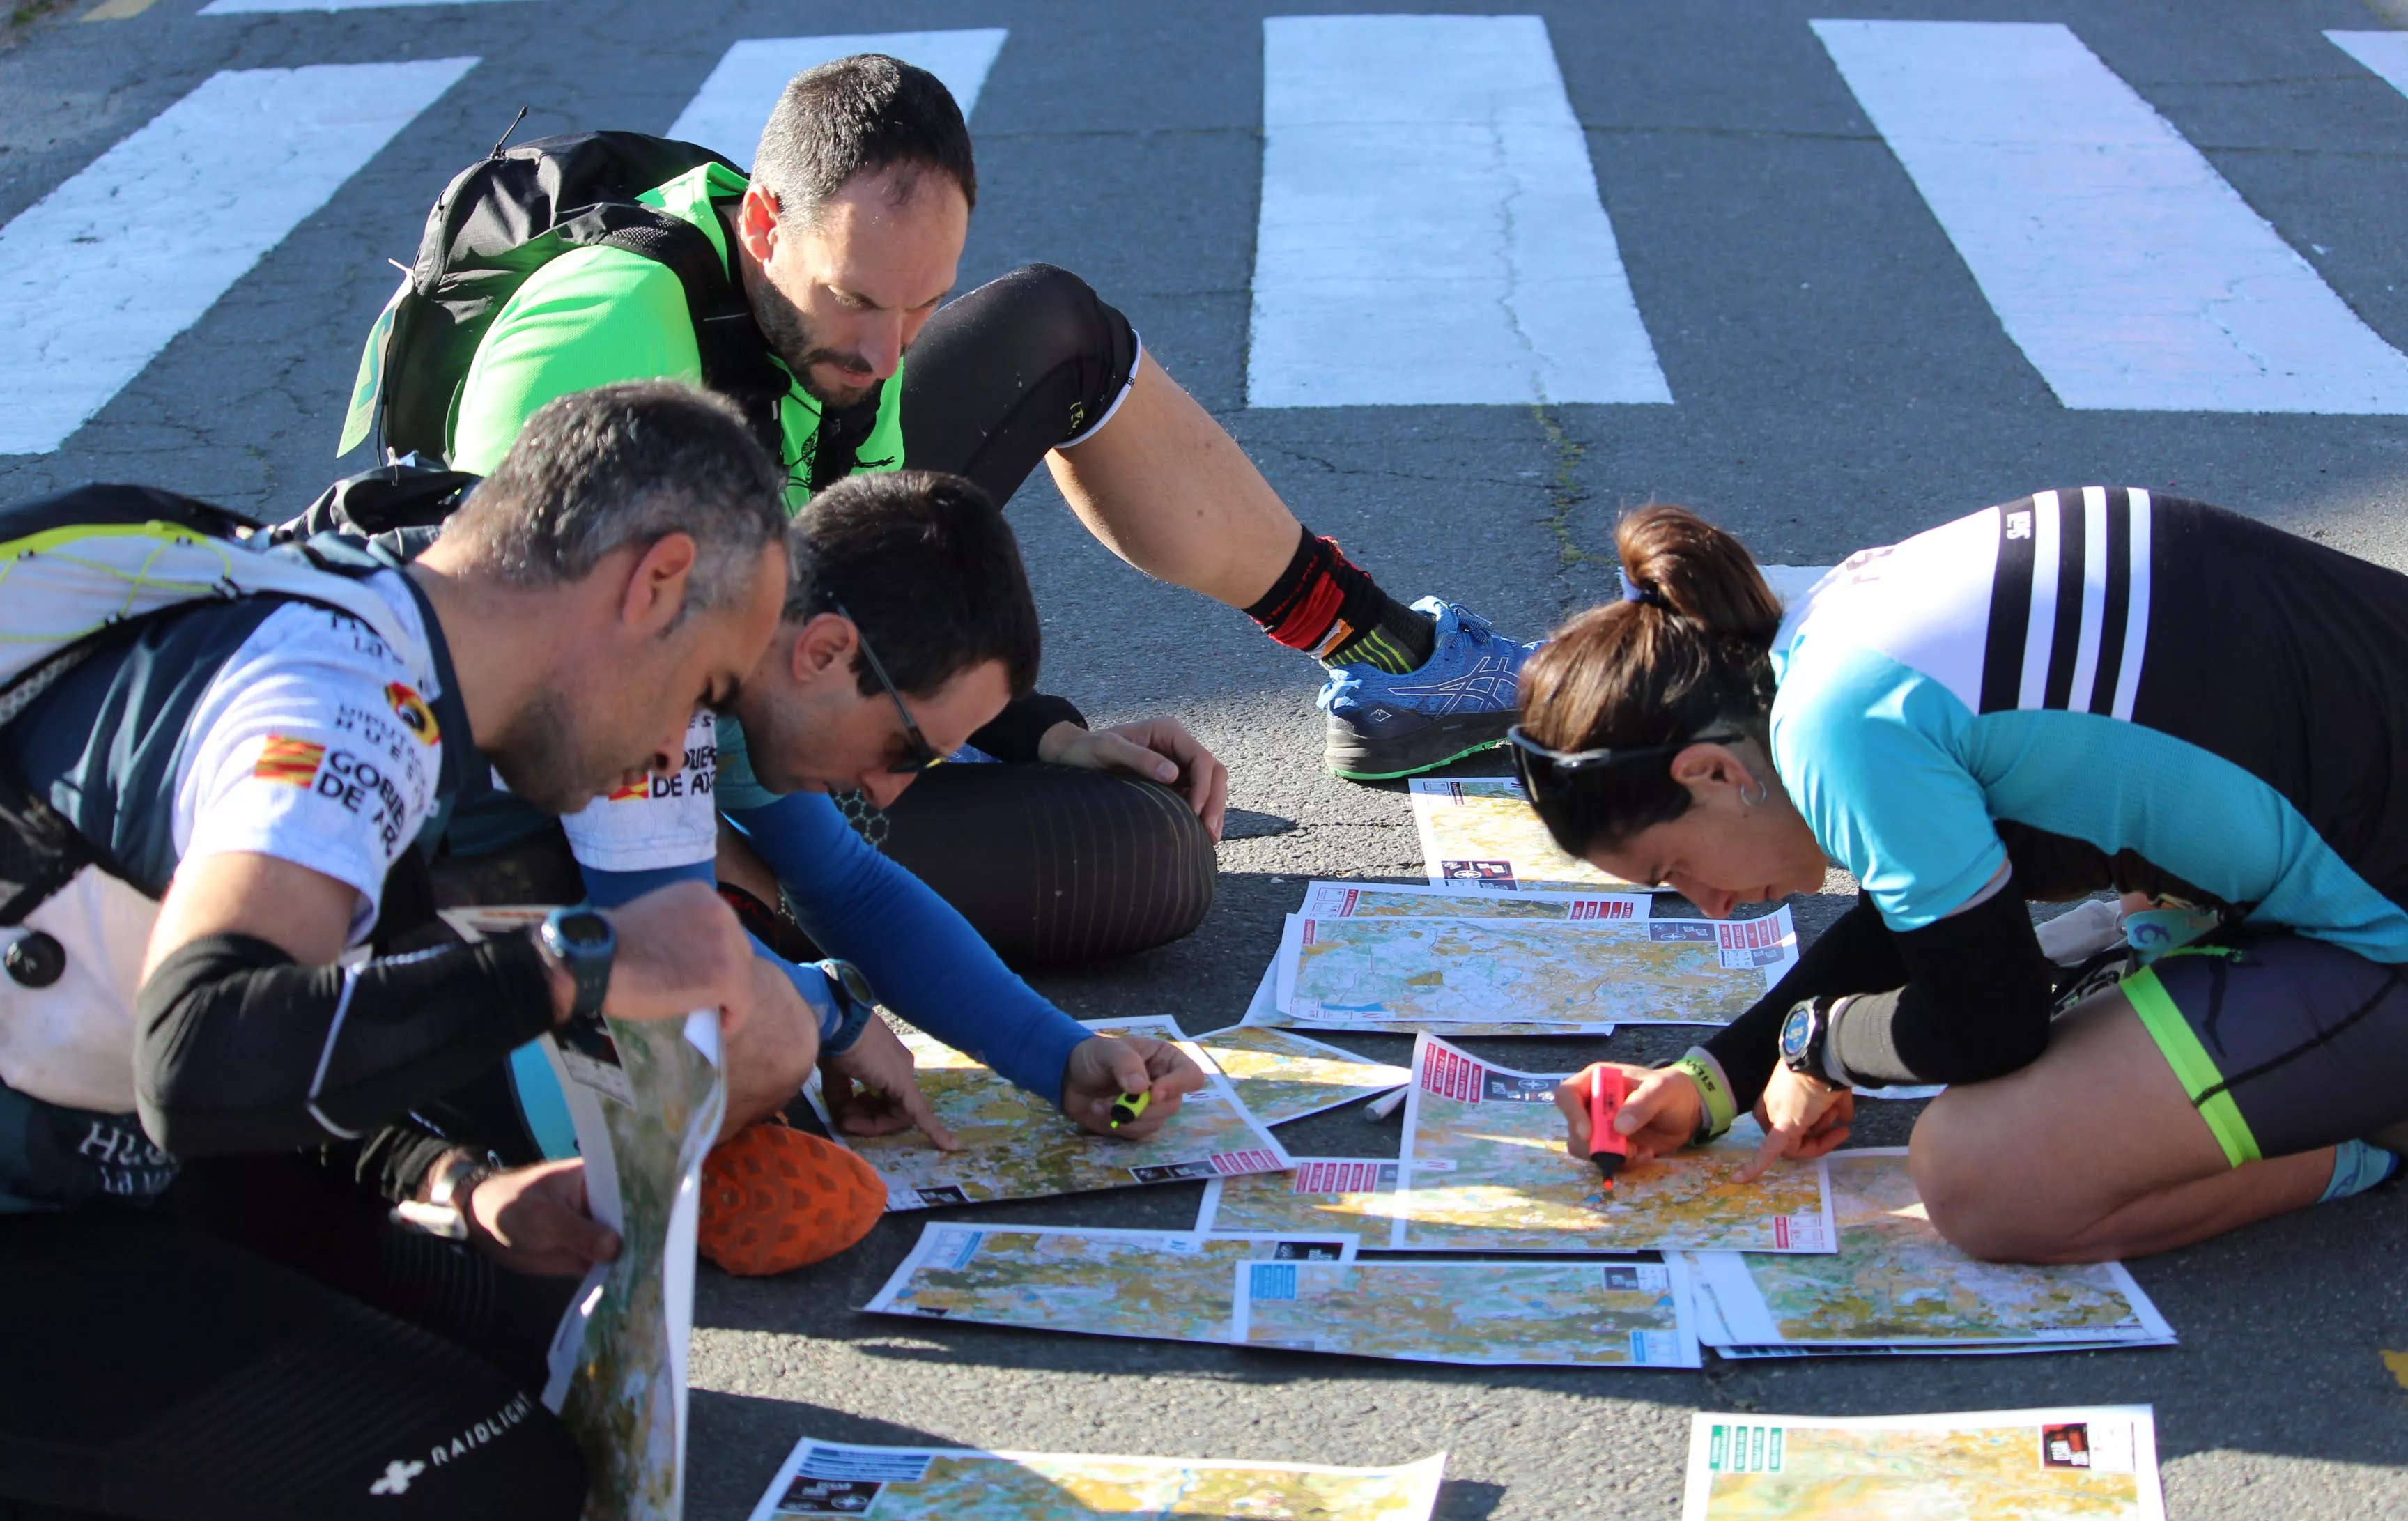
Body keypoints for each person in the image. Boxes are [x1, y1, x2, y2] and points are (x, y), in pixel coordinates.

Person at [0, 381, 789, 1521]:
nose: (674, 746)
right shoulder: (340, 701)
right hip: (62, 1182)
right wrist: (576, 961)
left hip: (76, 1144)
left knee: (530, 1335)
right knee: (494, 1509)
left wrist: (454, 1185)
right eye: (708, 691)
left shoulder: (370, 614)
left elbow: (270, 1034)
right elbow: (203, 1050)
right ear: (653, 581)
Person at [414, 52, 1535, 813]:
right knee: (1130, 859)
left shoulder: (861, 333)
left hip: (765, 655)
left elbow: (870, 581)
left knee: (1058, 326)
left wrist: (1034, 733)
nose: (889, 354)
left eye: (919, 307)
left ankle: (1392, 662)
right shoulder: (604, 329)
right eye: (857, 298)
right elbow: (511, 693)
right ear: (762, 223)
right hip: (621, 759)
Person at [1522, 489, 2408, 1265]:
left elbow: (1989, 1022)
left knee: (1984, 1176)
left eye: (1675, 870)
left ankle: (2371, 1137)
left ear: (1711, 773)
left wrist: (1820, 1043)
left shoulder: (1841, 728)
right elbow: (1930, 914)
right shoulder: (1826, 631)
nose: (1711, 908)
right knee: (2130, 867)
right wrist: (1712, 1081)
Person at [445, 469, 1212, 1278]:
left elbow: (851, 886)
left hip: (483, 928)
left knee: (765, 991)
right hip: (389, 989)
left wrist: (1058, 1057)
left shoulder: (734, 630)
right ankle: (493, 1175)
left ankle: (659, 1151)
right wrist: (832, 1010)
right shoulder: (639, 645)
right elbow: (654, 940)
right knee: (771, 1027)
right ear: (824, 651)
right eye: (906, 750)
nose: (891, 789)